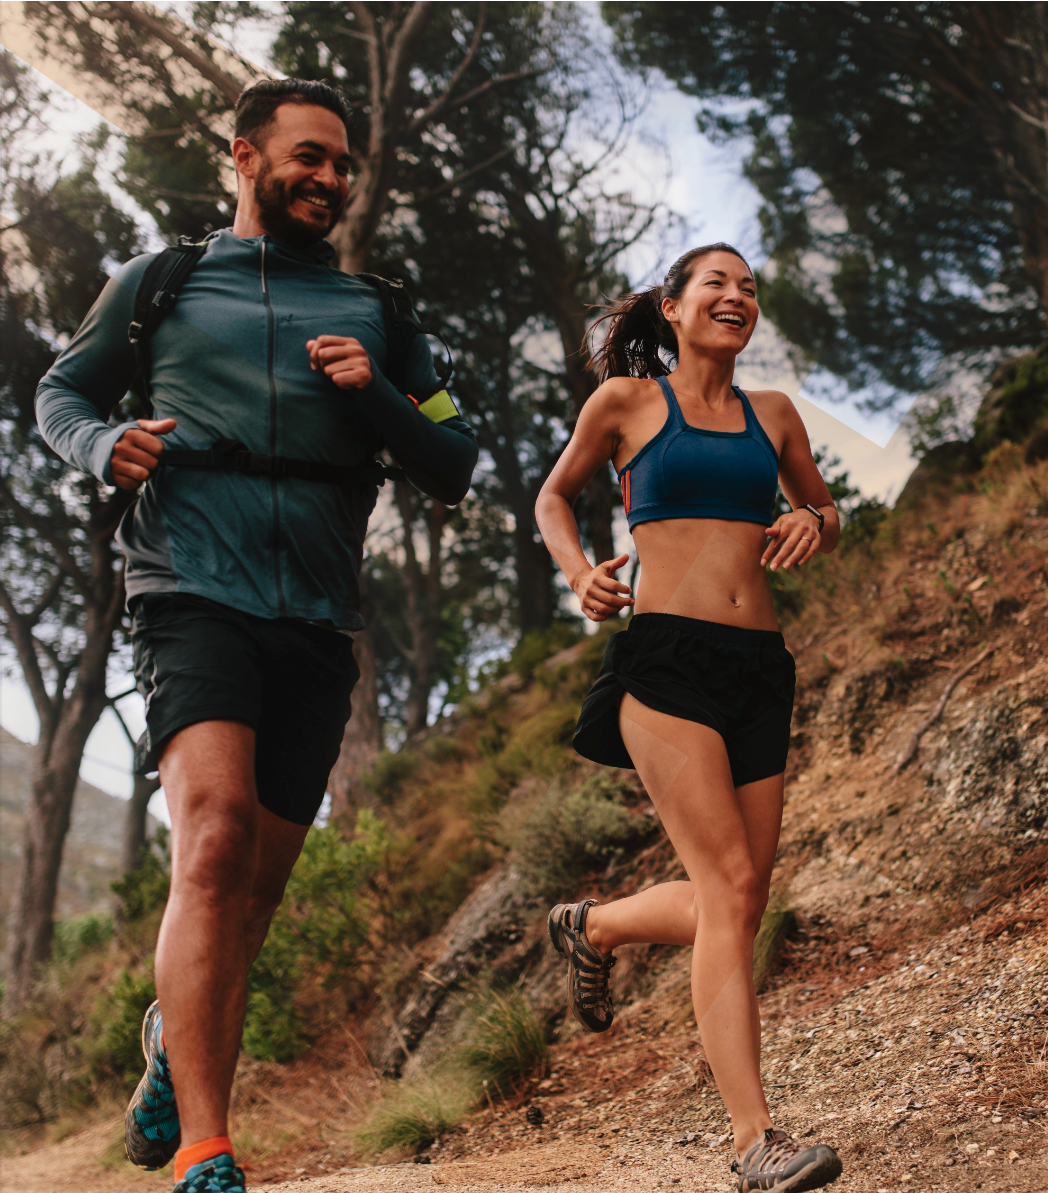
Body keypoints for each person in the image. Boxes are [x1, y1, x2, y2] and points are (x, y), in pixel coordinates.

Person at [35, 79, 479, 1193]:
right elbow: (61, 392)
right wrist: (101, 446)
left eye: (342, 163)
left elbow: (453, 459)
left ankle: (169, 1044)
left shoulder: (381, 312)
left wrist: (376, 393)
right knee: (215, 841)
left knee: (259, 893)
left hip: (319, 613)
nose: (330, 177)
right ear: (244, 156)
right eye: (309, 156)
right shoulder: (162, 282)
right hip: (189, 585)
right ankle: (207, 1146)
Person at [535, 244, 843, 1193]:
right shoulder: (626, 403)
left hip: (759, 668)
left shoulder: (774, 414)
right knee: (730, 882)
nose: (738, 296)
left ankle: (596, 926)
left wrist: (814, 520)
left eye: (750, 288)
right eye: (719, 283)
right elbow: (553, 496)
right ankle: (756, 1142)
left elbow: (824, 507)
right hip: (665, 662)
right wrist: (579, 572)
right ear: (672, 306)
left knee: (739, 900)